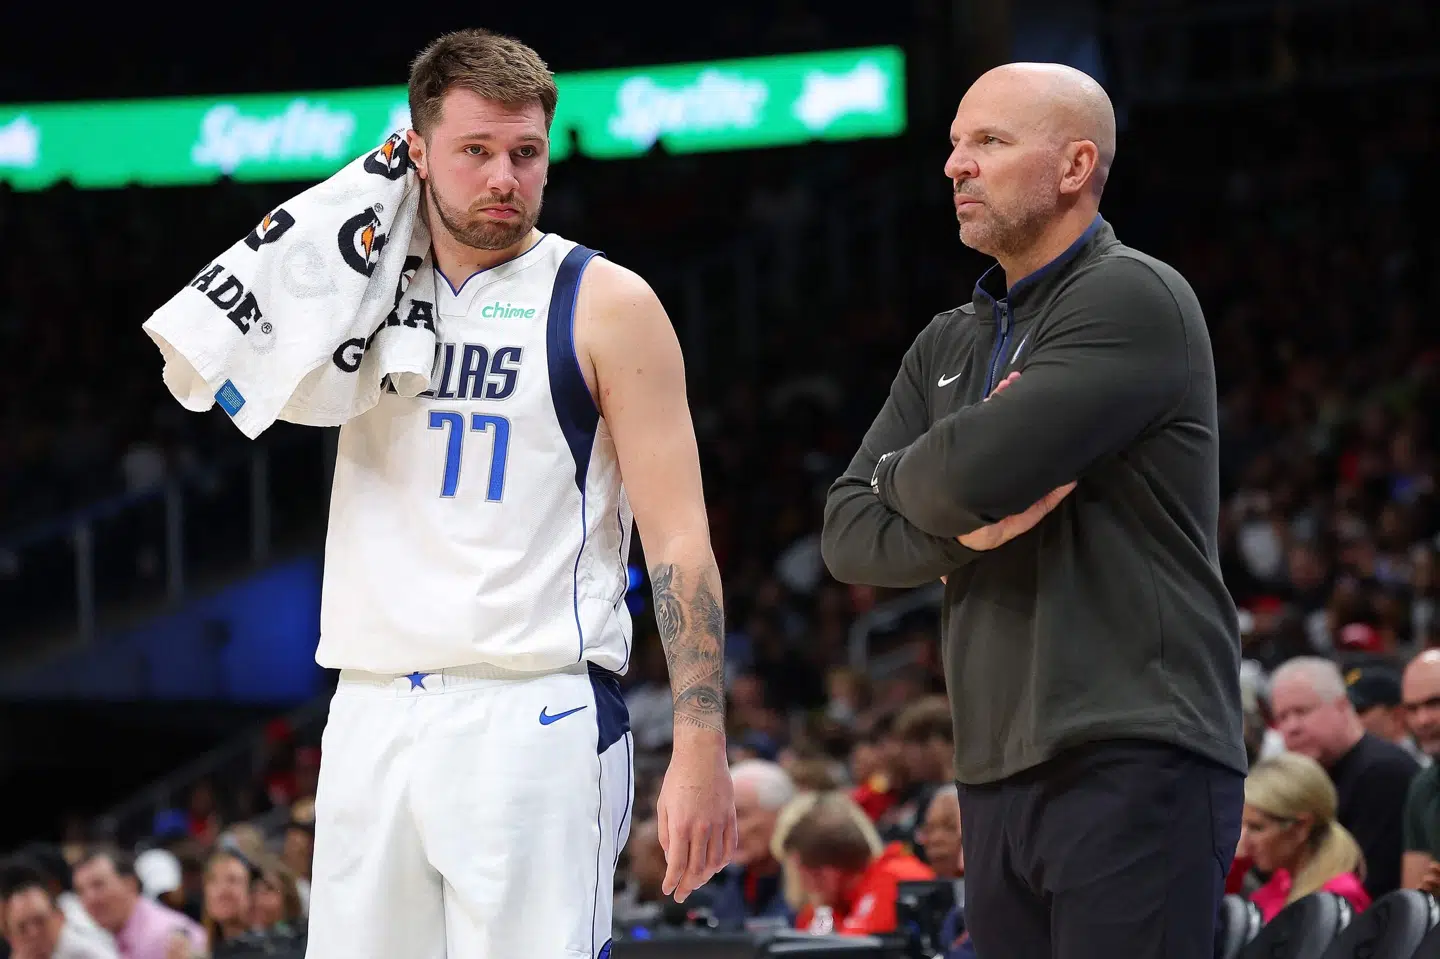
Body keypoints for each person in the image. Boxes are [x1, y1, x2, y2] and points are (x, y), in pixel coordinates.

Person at [283, 29, 735, 958]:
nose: (504, 177)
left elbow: (680, 538)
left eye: (525, 154)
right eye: (476, 151)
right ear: (415, 152)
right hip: (368, 706)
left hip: (533, 710)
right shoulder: (354, 287)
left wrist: (701, 742)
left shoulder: (607, 301)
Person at [820, 61, 1245, 958]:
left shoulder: (1131, 296)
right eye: (954, 144)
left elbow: (958, 474)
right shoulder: (946, 339)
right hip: (993, 765)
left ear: (1075, 164)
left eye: (989, 142)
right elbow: (846, 533)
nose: (955, 166)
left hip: (1132, 745)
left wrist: (928, 478)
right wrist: (957, 514)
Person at [1269, 656, 1419, 897]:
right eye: (1282, 718)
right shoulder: (1319, 775)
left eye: (1301, 711)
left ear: (1342, 706)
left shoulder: (1383, 772)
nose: (1291, 727)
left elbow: (1370, 889)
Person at [1238, 753, 1371, 921]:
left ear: (1301, 827)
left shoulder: (1338, 900)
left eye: (1257, 828)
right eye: (1241, 825)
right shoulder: (1282, 881)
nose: (1243, 841)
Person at [780, 792, 934, 937]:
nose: (805, 886)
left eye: (804, 875)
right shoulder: (834, 906)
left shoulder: (897, 878)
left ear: (824, 874)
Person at [696, 760, 796, 926]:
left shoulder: (812, 886)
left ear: (782, 816)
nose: (726, 829)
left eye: (740, 815)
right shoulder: (721, 885)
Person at [72, 849, 205, 959]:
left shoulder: (163, 936)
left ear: (130, 884)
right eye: (80, 891)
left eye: (98, 885)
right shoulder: (108, 936)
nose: (90, 899)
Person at [0, 862, 119, 959]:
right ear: (10, 937)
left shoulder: (87, 951)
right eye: (22, 928)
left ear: (60, 918)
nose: (33, 933)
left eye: (40, 921)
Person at [1400, 649, 1440, 892]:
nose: (1422, 720)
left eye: (1435, 703)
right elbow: (1415, 904)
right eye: (1412, 709)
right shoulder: (1423, 788)